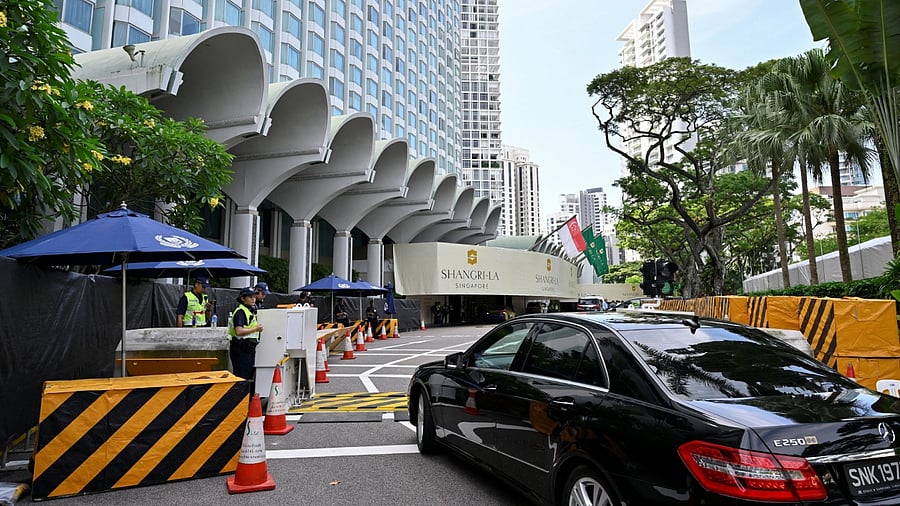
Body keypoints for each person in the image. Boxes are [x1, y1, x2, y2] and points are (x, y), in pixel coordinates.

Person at [229, 287, 265, 381]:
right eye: (250, 297)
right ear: (242, 298)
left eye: (254, 296)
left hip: (248, 348)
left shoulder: (249, 311)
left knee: (247, 376)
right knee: (241, 377)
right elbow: (239, 331)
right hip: (240, 348)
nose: (253, 299)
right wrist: (256, 329)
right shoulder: (240, 312)